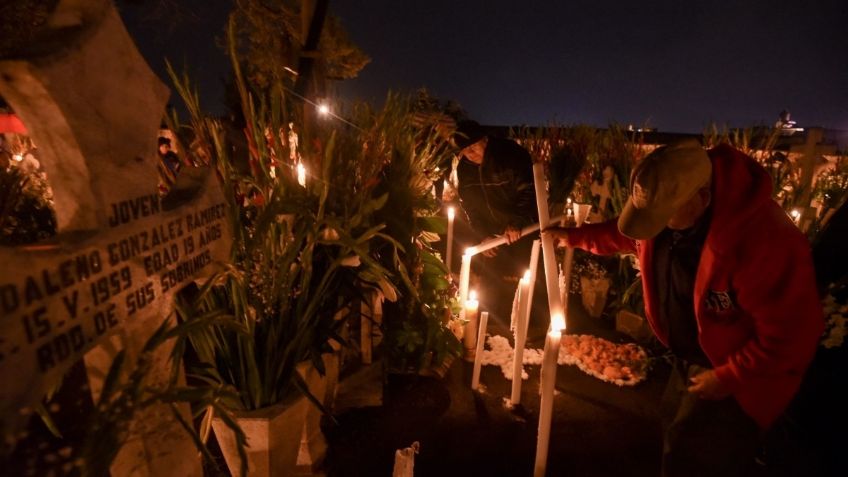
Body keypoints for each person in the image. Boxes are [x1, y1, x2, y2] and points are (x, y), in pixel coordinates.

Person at [544, 139, 823, 476]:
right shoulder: (675, 212)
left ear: (702, 199)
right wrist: (573, 237)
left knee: (699, 457)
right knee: (675, 435)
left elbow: (793, 333)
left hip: (740, 376)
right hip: (690, 360)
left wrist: (728, 376)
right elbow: (627, 236)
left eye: (660, 217)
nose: (653, 225)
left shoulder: (765, 242)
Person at [453, 120, 539, 319]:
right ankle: (490, 327)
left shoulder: (511, 155)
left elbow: (528, 191)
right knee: (491, 281)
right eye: (465, 151)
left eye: (473, 148)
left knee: (525, 278)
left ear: (485, 140)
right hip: (492, 235)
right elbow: (471, 207)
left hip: (522, 230)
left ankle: (528, 325)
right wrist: (483, 236)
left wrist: (517, 222)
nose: (470, 155)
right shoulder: (465, 169)